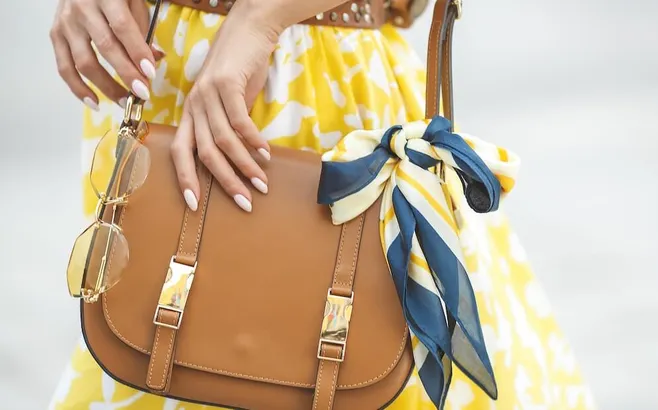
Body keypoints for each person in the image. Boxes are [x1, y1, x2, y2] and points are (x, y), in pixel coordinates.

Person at [47, 0, 597, 408]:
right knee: (152, 343)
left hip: (312, 67)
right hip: (160, 66)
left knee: (342, 353)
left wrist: (260, 20)